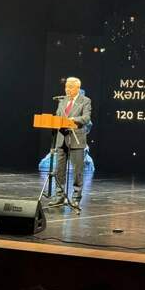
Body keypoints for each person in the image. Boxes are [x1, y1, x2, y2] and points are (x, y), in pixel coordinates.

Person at [49, 77, 92, 206]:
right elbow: (58, 115)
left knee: (77, 171)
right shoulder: (63, 101)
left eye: (70, 87)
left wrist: (73, 119)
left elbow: (86, 118)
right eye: (66, 87)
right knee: (59, 170)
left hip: (76, 139)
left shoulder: (85, 101)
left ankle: (76, 198)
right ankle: (59, 196)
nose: (67, 89)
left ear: (78, 88)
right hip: (61, 138)